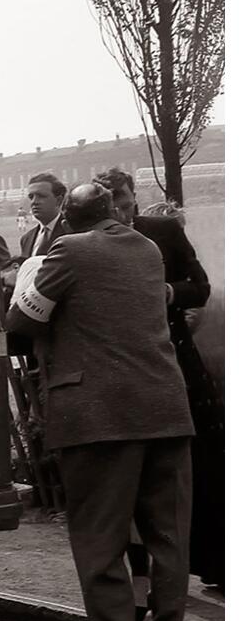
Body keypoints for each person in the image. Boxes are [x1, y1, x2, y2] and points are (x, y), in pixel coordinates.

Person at [7, 182, 194, 621]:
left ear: (67, 216)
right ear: (113, 212)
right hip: (166, 409)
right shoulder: (148, 249)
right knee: (169, 540)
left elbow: (21, 321)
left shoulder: (68, 249)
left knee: (100, 538)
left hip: (99, 418)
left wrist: (28, 277)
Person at [97, 167, 223, 591]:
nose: (124, 214)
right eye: (114, 208)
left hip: (175, 360)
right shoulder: (91, 243)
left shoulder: (164, 230)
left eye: (128, 204)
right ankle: (146, 580)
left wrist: (169, 292)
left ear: (135, 197)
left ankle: (215, 562)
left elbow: (200, 286)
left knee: (201, 463)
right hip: (127, 367)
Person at [18, 172, 68, 260]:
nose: (34, 202)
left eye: (41, 196)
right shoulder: (26, 239)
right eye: (31, 197)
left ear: (59, 200)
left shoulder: (73, 232)